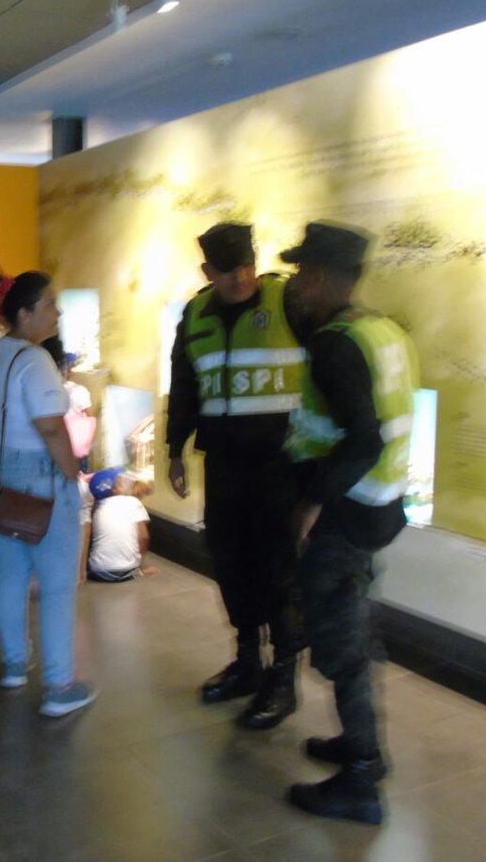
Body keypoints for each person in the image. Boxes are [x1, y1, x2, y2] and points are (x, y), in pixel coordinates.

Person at [281, 222, 417, 825]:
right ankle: (364, 750)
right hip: (377, 509)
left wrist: (311, 503)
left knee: (342, 643)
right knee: (359, 630)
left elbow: (363, 439)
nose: (297, 286)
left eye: (300, 273)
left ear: (317, 275)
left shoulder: (336, 343)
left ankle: (360, 776)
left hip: (342, 515)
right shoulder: (382, 330)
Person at [166, 222, 308, 731]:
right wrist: (175, 449)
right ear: (208, 271)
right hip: (225, 461)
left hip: (280, 463)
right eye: (228, 271)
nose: (241, 278)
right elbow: (184, 383)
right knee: (229, 561)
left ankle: (284, 677)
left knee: (278, 569)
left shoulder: (287, 301)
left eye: (247, 266)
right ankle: (248, 660)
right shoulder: (197, 314)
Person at [0, 271, 95, 718]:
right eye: (49, 304)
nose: (56, 312)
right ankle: (60, 685)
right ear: (24, 313)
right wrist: (71, 475)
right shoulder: (36, 360)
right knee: (58, 585)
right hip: (36, 475)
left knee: (11, 572)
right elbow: (50, 427)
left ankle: (14, 665)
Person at [86, 469, 154, 582]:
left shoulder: (96, 508)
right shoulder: (133, 502)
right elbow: (143, 537)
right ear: (115, 488)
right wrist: (139, 564)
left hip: (98, 571)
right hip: (126, 571)